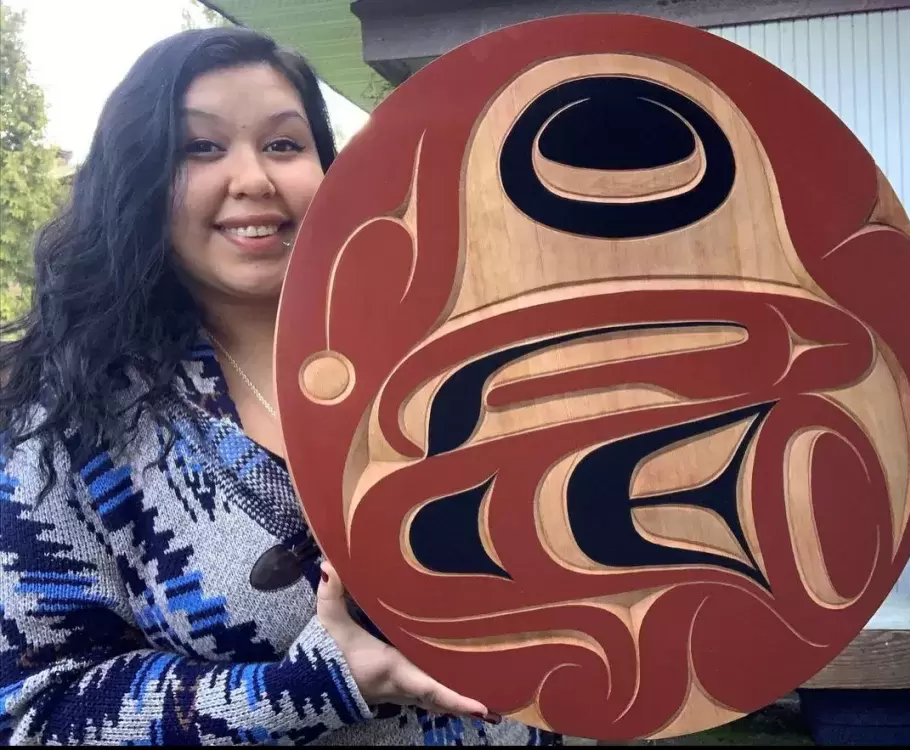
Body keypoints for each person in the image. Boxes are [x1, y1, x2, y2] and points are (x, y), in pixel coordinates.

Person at [0, 27, 564, 746]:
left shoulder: (454, 350)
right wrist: (309, 688)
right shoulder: (67, 424)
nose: (254, 179)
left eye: (283, 144)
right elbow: (39, 713)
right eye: (200, 147)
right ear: (138, 179)